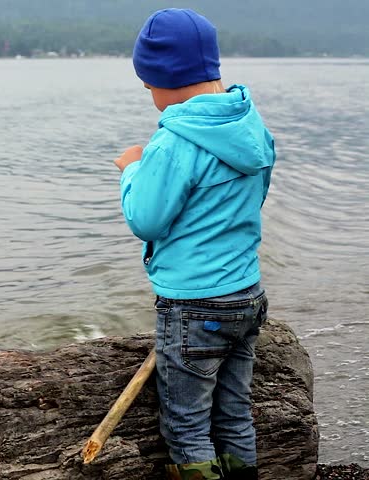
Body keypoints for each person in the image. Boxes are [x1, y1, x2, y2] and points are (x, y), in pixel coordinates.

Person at [113, 9, 275, 480]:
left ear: (163, 78)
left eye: (147, 86)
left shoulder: (173, 141)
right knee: (235, 413)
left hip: (193, 307)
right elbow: (255, 197)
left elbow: (146, 219)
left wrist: (132, 169)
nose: (149, 96)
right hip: (246, 295)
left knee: (186, 426)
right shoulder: (249, 124)